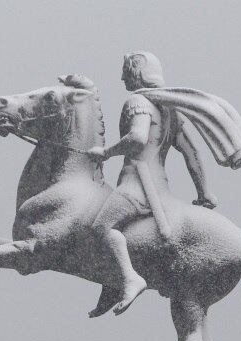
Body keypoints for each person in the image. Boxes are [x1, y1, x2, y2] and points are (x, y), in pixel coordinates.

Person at [85, 51, 220, 317]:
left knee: (99, 229)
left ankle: (128, 279)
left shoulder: (138, 101)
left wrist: (106, 153)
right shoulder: (170, 109)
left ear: (137, 72)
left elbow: (137, 138)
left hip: (137, 187)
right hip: (161, 189)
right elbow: (191, 153)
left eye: (126, 71)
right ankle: (112, 285)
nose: (122, 76)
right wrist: (204, 193)